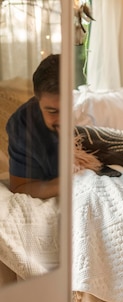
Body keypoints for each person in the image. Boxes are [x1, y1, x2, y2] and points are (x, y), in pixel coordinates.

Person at [6, 54, 61, 199]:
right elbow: (20, 187)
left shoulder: (93, 109)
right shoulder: (23, 126)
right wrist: (76, 182)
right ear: (38, 101)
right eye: (52, 111)